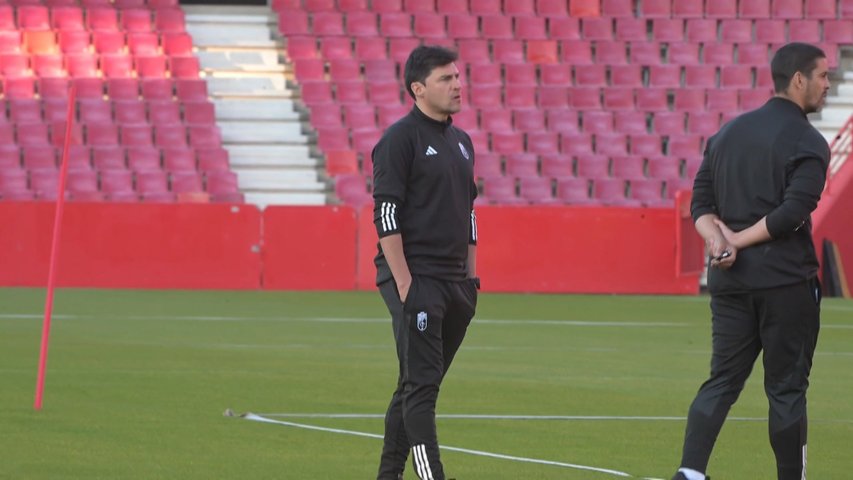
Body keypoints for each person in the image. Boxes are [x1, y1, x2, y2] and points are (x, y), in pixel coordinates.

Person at [672, 42, 831, 480]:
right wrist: (736, 239)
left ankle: (690, 472)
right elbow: (791, 213)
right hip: (785, 284)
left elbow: (700, 204)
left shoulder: (727, 134)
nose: (827, 85)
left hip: (730, 282)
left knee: (721, 380)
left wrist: (719, 242)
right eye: (822, 76)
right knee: (786, 390)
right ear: (798, 79)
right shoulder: (810, 142)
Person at [371, 45, 479, 480]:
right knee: (422, 391)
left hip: (456, 285)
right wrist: (404, 285)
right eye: (445, 79)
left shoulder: (462, 142)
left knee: (416, 385)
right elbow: (387, 214)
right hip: (417, 280)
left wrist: (471, 279)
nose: (457, 85)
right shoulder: (399, 140)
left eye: (457, 76)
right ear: (418, 88)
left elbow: (469, 213)